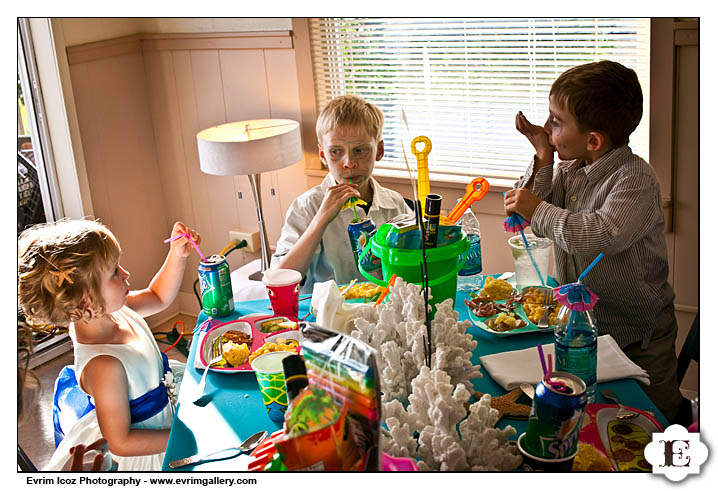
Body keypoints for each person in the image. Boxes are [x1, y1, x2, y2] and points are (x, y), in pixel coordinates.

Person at [503, 60, 683, 422]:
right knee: (591, 410)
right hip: (582, 331)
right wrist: (542, 156)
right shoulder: (569, 166)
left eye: (556, 122)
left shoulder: (635, 179)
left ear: (594, 140)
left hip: (637, 337)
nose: (548, 127)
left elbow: (600, 235)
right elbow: (534, 221)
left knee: (653, 418)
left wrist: (537, 207)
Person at [17, 218, 199, 471]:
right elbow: (121, 442)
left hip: (166, 414)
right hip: (149, 452)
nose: (126, 273)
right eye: (114, 271)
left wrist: (177, 255)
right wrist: (189, 438)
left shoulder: (112, 310)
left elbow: (158, 296)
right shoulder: (104, 365)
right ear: (85, 299)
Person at [272, 95, 412, 293]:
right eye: (336, 152)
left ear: (379, 150)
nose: (349, 163)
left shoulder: (395, 204)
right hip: (326, 317)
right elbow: (279, 280)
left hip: (383, 311)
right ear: (322, 155)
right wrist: (320, 220)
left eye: (360, 150)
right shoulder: (307, 207)